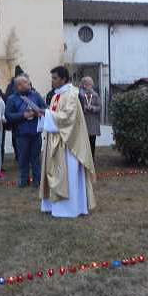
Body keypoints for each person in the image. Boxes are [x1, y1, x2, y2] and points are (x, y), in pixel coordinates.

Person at [39, 66, 97, 218]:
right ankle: (53, 206)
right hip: (55, 140)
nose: (52, 81)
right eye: (52, 78)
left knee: (68, 174)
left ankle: (70, 208)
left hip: (69, 144)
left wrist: (47, 114)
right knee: (55, 171)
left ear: (63, 79)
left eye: (55, 78)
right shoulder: (55, 96)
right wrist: (43, 114)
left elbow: (68, 117)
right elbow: (54, 114)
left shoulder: (72, 94)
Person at [5, 75, 46, 188]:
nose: (29, 84)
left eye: (28, 82)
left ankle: (37, 181)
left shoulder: (36, 95)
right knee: (23, 159)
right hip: (20, 134)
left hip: (35, 132)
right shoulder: (11, 99)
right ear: (19, 85)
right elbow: (8, 116)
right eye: (26, 83)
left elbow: (45, 109)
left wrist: (39, 112)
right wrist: (23, 115)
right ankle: (24, 181)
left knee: (36, 158)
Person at [79, 76, 102, 160]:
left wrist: (92, 108)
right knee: (84, 142)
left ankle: (92, 158)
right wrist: (83, 107)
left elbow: (99, 107)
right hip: (83, 122)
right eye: (89, 84)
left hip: (92, 123)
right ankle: (84, 159)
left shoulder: (95, 95)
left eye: (91, 84)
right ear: (84, 85)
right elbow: (78, 107)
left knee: (92, 141)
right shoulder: (79, 95)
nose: (91, 86)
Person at [5, 65, 24, 162]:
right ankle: (17, 153)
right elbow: (7, 98)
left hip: (24, 115)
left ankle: (21, 154)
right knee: (15, 136)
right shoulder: (11, 86)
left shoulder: (27, 83)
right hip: (14, 115)